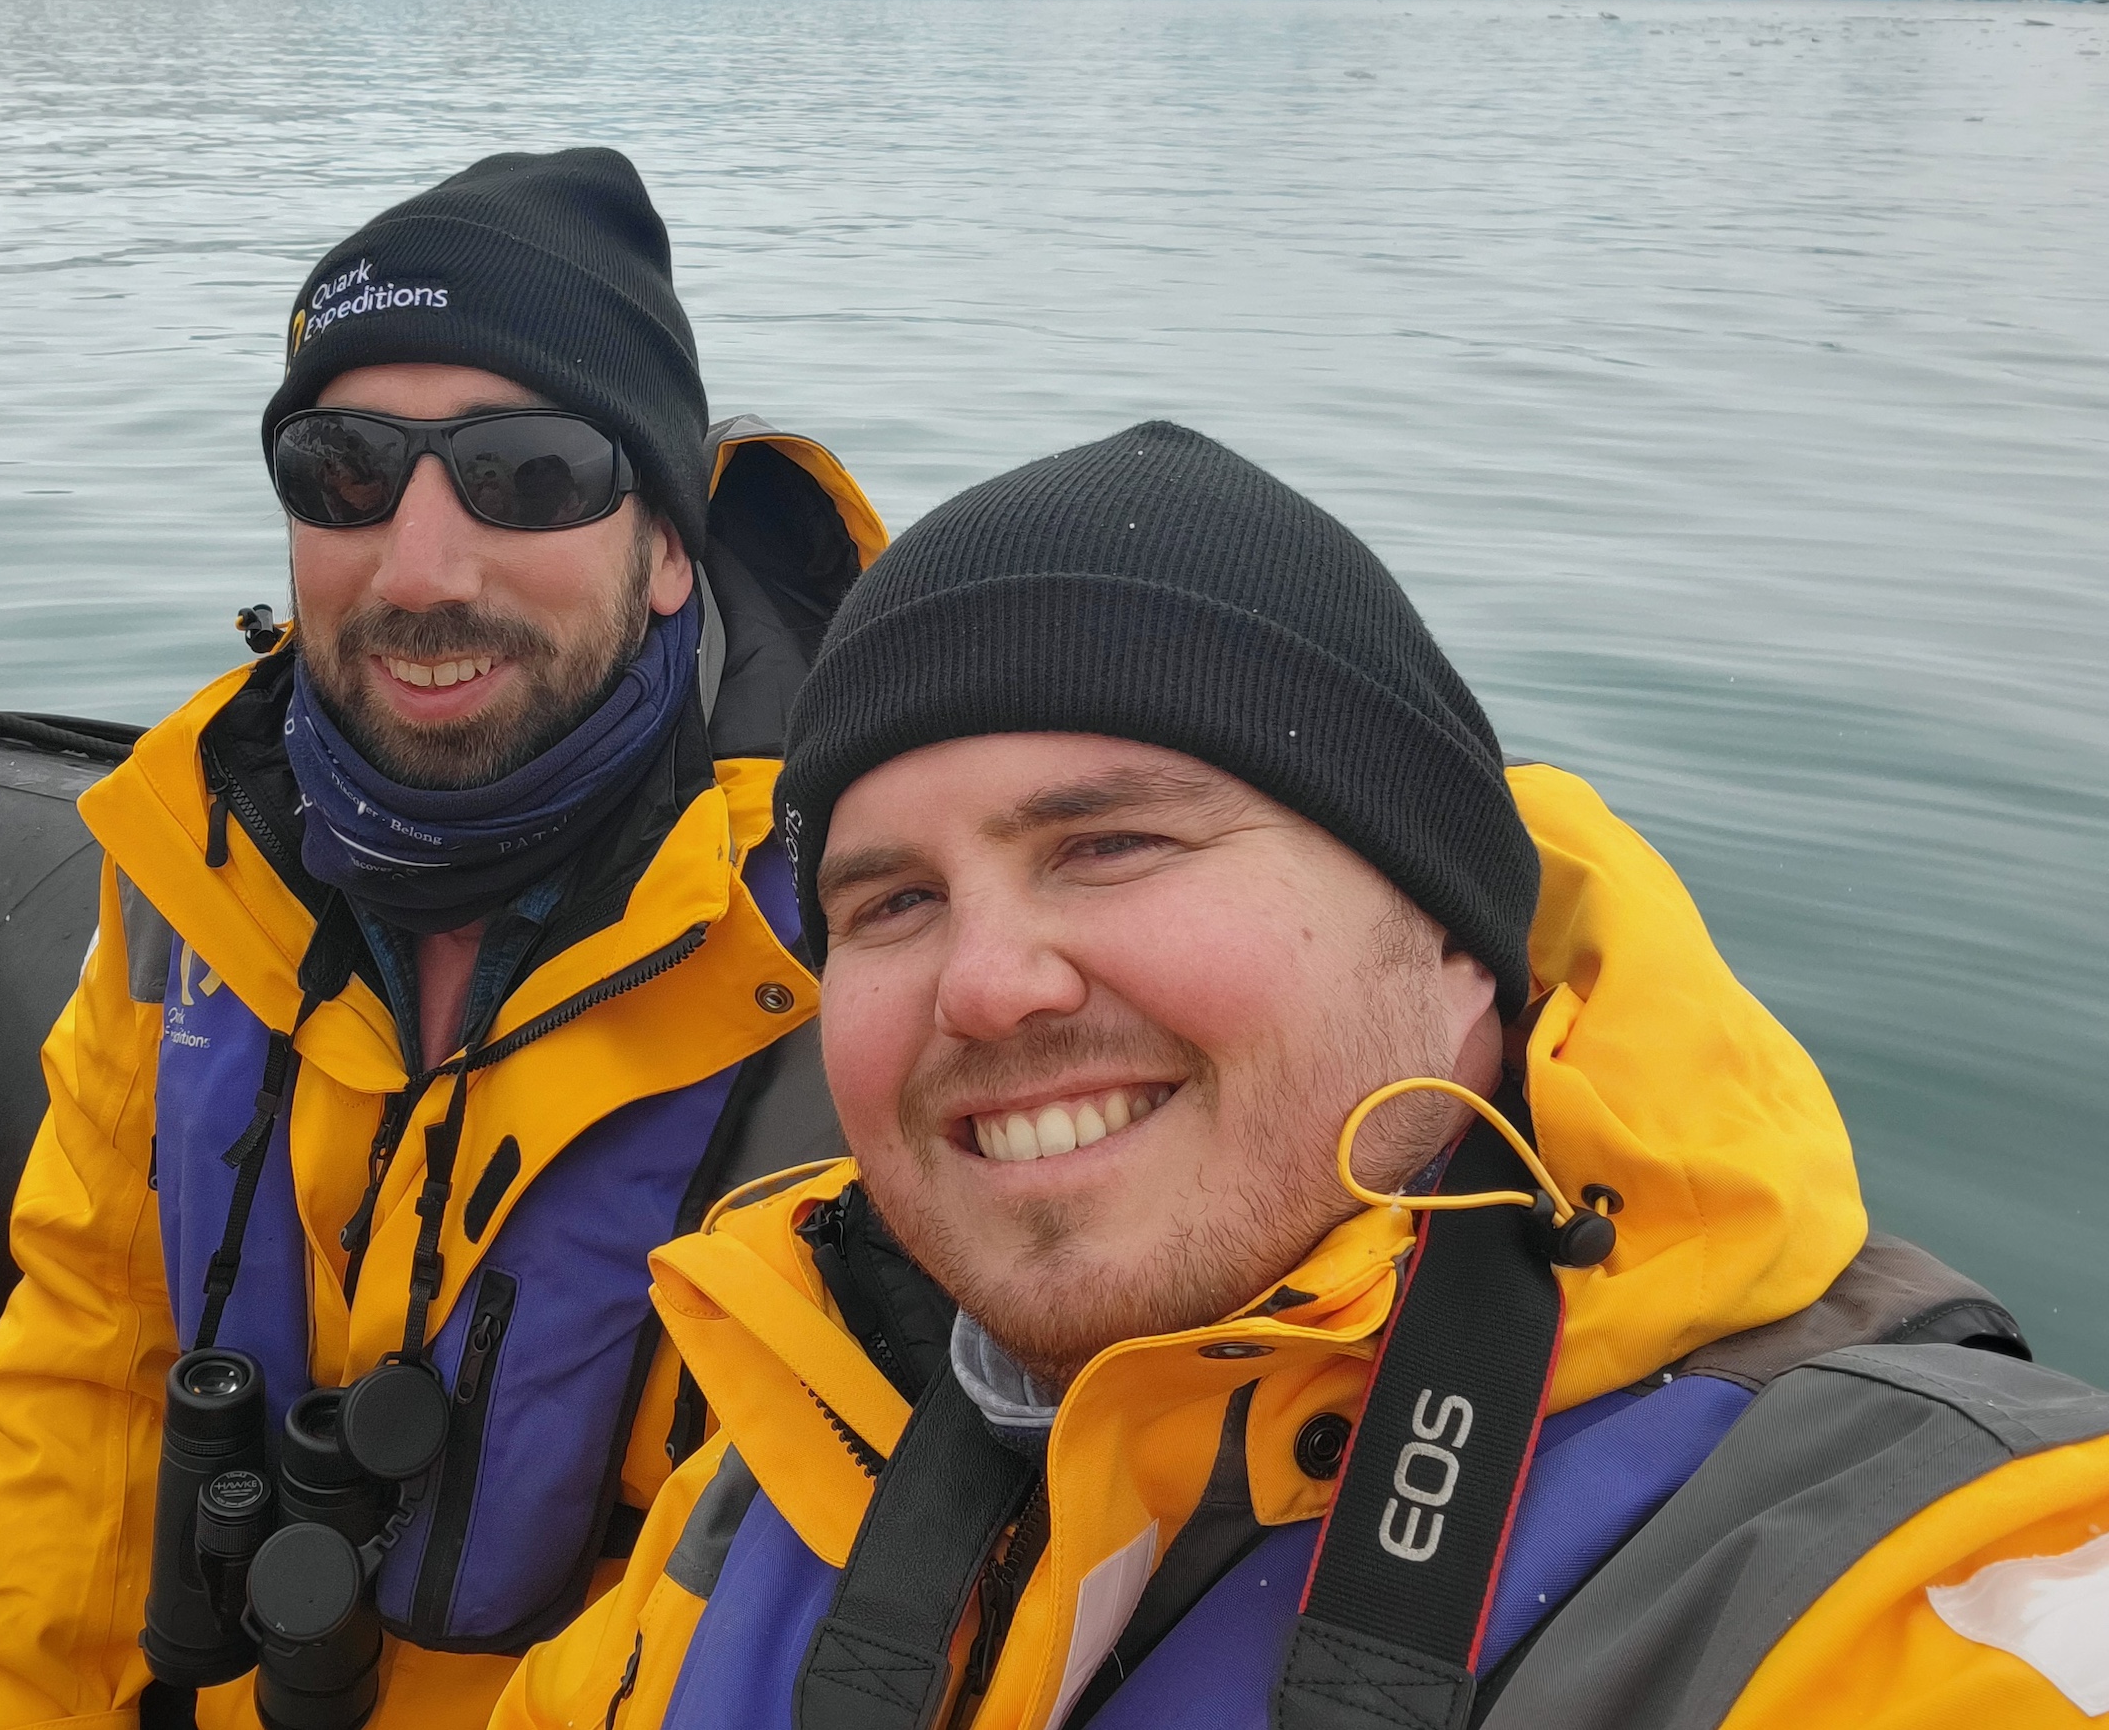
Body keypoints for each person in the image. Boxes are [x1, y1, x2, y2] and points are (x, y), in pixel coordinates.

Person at [495, 422, 2109, 1730]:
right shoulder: (803, 1439)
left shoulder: (1895, 1571)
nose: (985, 984)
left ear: (1451, 928)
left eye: (1111, 843)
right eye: (892, 901)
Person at [0, 149, 887, 1730]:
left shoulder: (863, 939)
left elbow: (798, 1591)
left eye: (527, 475)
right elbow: (88, 1372)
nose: (423, 567)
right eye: (347, 470)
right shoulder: (191, 864)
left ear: (666, 550)